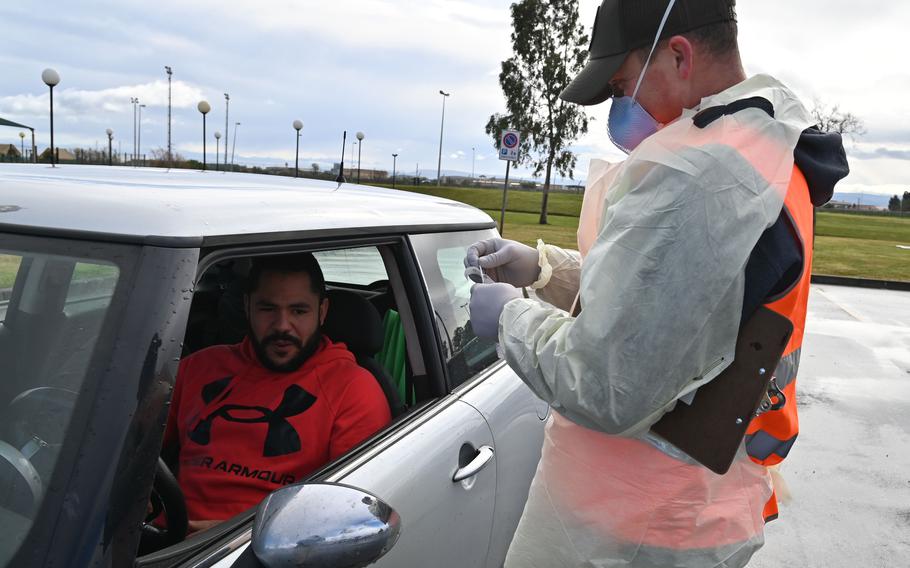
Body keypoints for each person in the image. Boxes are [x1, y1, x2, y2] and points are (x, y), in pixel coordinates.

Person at [466, 0, 849, 566]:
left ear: (678, 55)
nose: (619, 108)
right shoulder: (758, 145)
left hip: (636, 520)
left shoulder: (704, 175)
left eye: (622, 86)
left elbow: (605, 383)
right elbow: (672, 298)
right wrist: (543, 268)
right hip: (685, 503)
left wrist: (509, 317)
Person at [164, 253, 391, 532]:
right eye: (268, 309)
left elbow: (345, 517)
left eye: (298, 311)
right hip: (155, 538)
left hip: (257, 551)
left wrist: (224, 539)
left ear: (322, 312)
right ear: (247, 307)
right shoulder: (197, 368)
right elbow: (127, 451)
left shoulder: (354, 390)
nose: (282, 325)